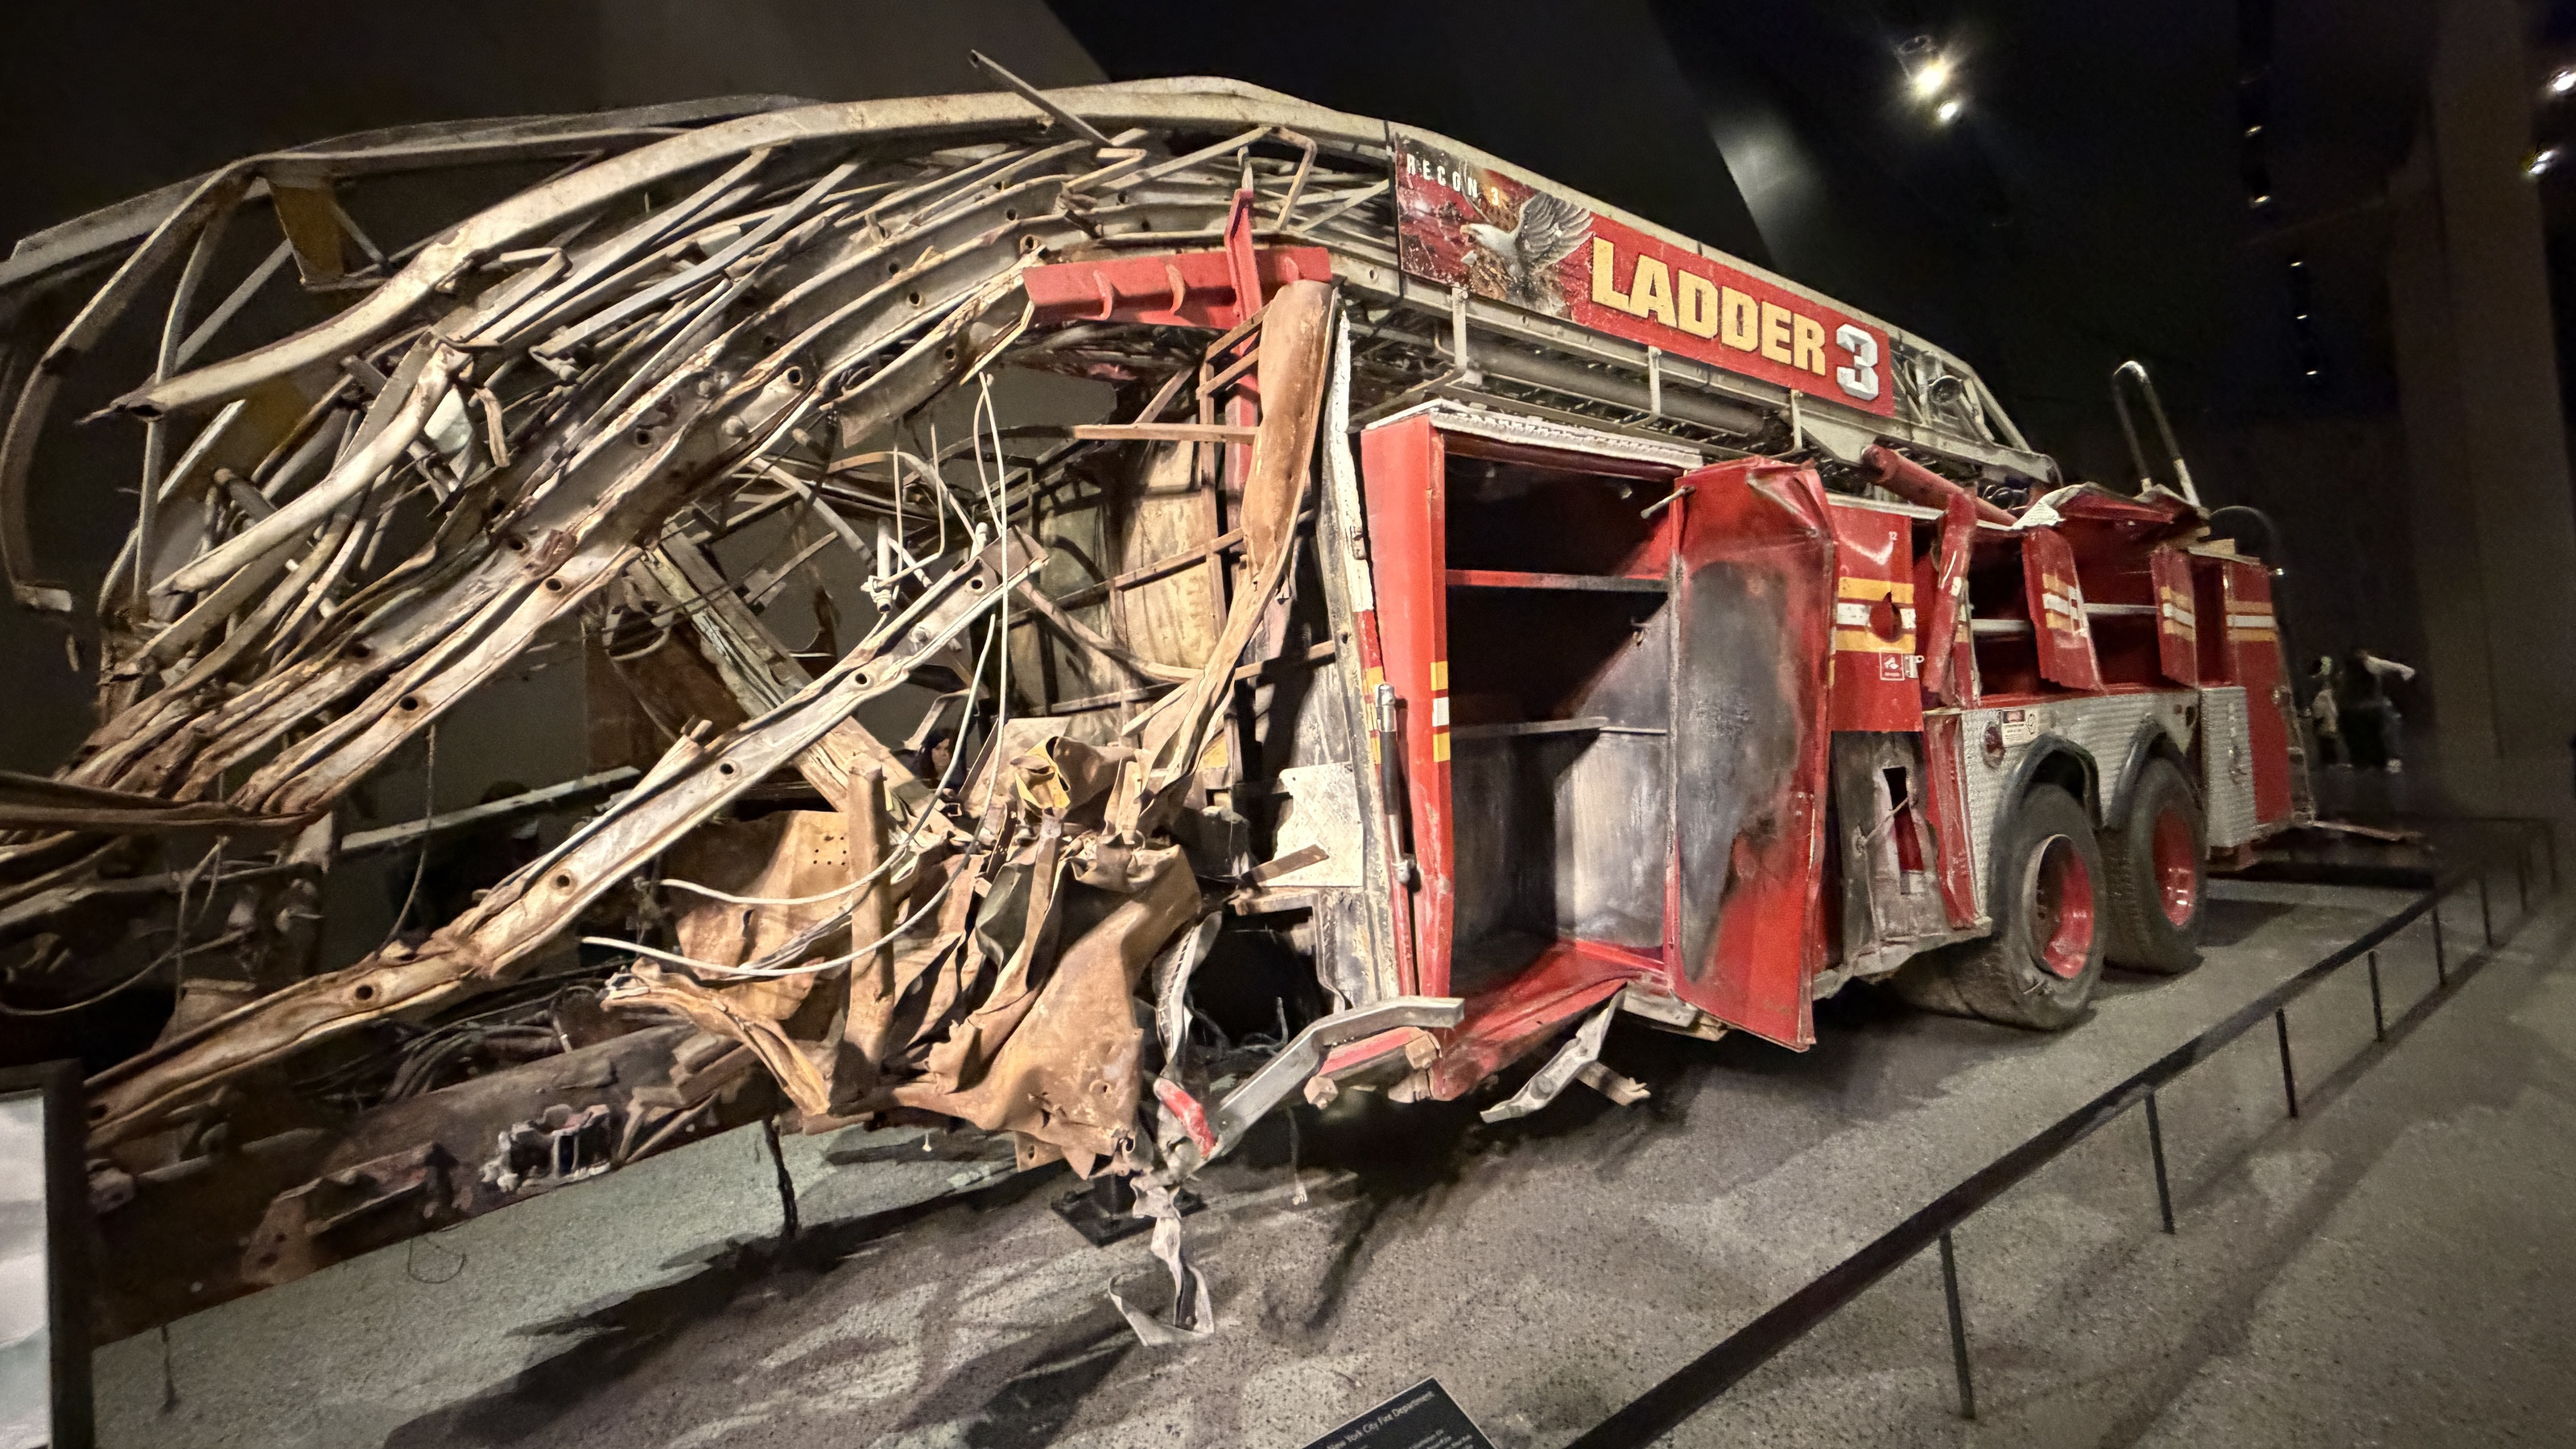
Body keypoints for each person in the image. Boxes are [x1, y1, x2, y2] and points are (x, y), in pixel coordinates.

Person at [2338, 648, 2417, 773]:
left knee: (2377, 734)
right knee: (2373, 735)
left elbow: (2397, 668)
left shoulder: (2369, 665)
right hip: (2364, 707)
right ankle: (2372, 762)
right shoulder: (2362, 667)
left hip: (2366, 706)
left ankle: (2379, 761)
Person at [2308, 655, 2348, 769]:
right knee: (2328, 738)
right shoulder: (2326, 691)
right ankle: (2330, 762)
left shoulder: (2324, 693)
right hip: (2328, 717)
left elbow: (2319, 712)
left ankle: (2329, 763)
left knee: (2327, 739)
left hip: (2326, 719)